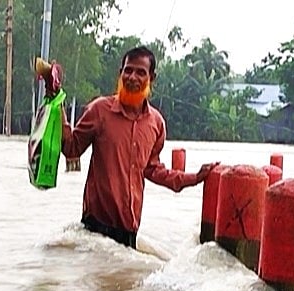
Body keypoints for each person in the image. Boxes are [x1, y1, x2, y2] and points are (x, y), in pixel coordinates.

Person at [57, 46, 218, 249]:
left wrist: (194, 178)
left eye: (140, 72)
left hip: (130, 232)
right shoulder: (99, 111)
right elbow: (71, 148)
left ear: (152, 78)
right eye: (128, 70)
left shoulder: (156, 123)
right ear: (120, 73)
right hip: (95, 231)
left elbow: (153, 170)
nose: (132, 77)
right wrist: (57, 101)